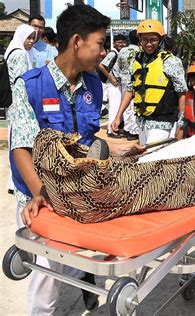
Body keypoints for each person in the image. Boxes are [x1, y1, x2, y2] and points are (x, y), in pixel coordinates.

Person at [11, 5, 143, 314]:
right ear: (76, 41)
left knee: (77, 256)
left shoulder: (93, 86)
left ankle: (83, 273)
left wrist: (119, 148)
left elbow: (87, 138)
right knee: (46, 272)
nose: (103, 52)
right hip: (37, 194)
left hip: (77, 189)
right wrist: (41, 194)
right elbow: (21, 147)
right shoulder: (30, 85)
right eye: (100, 43)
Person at [111, 20, 187, 144]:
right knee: (145, 156)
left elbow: (181, 93)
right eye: (144, 39)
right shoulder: (135, 60)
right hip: (141, 121)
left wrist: (182, 123)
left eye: (153, 39)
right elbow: (130, 90)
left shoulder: (171, 61)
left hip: (162, 121)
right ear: (139, 39)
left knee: (152, 158)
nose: (149, 44)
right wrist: (118, 116)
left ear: (160, 40)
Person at [4, 24, 37, 195]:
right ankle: (16, 183)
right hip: (19, 105)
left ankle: (13, 182)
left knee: (13, 142)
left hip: (13, 105)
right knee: (20, 145)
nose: (31, 41)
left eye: (33, 38)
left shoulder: (12, 50)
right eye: (29, 37)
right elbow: (20, 83)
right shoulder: (20, 54)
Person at [98, 34, 126, 138]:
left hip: (117, 83)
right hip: (113, 84)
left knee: (117, 106)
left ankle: (115, 128)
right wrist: (111, 78)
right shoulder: (113, 53)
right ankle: (111, 130)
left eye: (123, 42)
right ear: (114, 43)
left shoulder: (120, 53)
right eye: (118, 42)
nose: (121, 44)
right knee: (114, 107)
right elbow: (101, 65)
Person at [116, 30, 140, 140]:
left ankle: (126, 128)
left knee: (125, 106)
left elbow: (118, 66)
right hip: (137, 81)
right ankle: (134, 131)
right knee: (135, 106)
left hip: (124, 81)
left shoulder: (123, 51)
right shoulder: (141, 51)